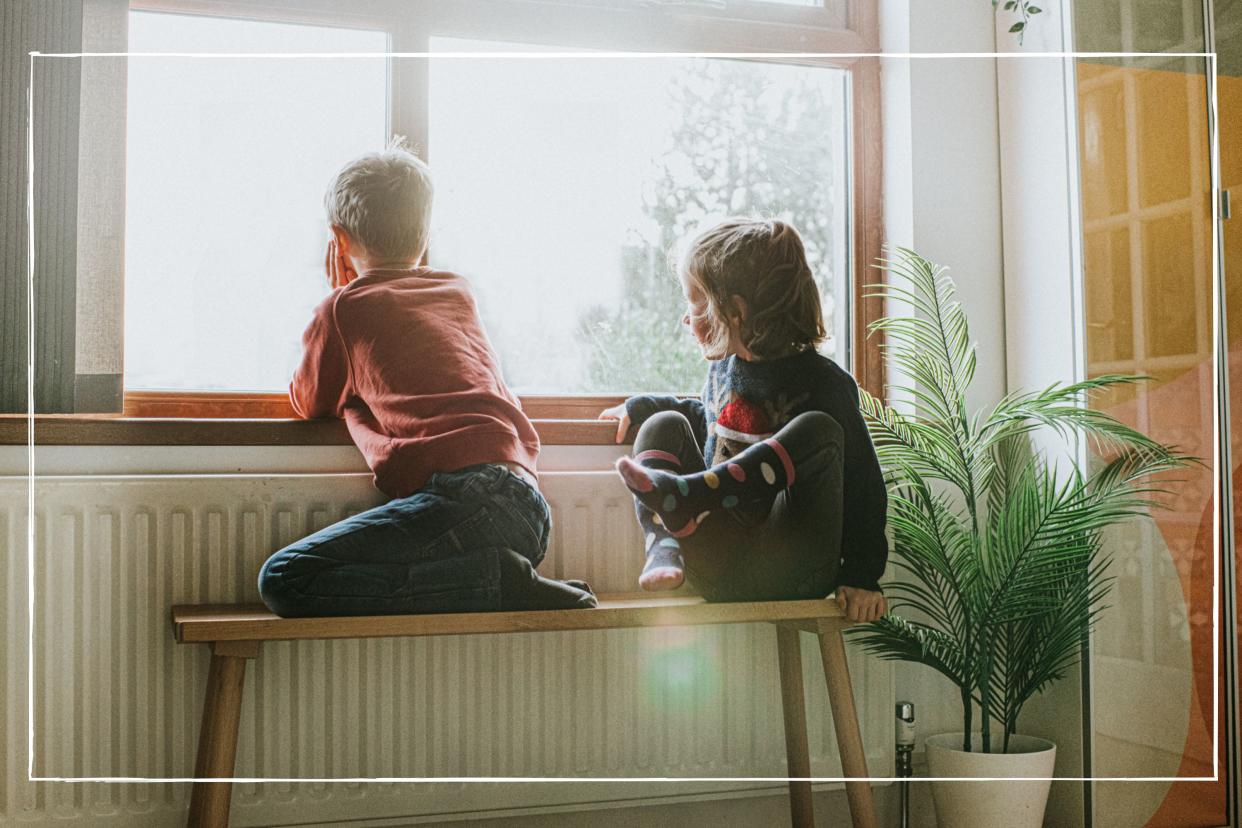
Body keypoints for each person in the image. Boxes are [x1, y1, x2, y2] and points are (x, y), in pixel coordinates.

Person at [258, 141, 596, 617]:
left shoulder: (344, 308)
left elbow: (308, 401)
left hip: (469, 499)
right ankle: (494, 577)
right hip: (526, 504)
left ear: (338, 239)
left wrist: (339, 300)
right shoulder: (457, 290)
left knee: (284, 578)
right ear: (426, 232)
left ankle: (494, 582)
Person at [599, 218, 888, 622]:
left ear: (735, 311)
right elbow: (710, 421)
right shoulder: (722, 373)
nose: (687, 318)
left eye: (695, 302)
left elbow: (864, 485)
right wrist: (642, 406)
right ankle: (665, 541)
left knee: (818, 431)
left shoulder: (825, 383)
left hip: (793, 566)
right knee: (662, 423)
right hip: (715, 564)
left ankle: (692, 496)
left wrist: (862, 574)